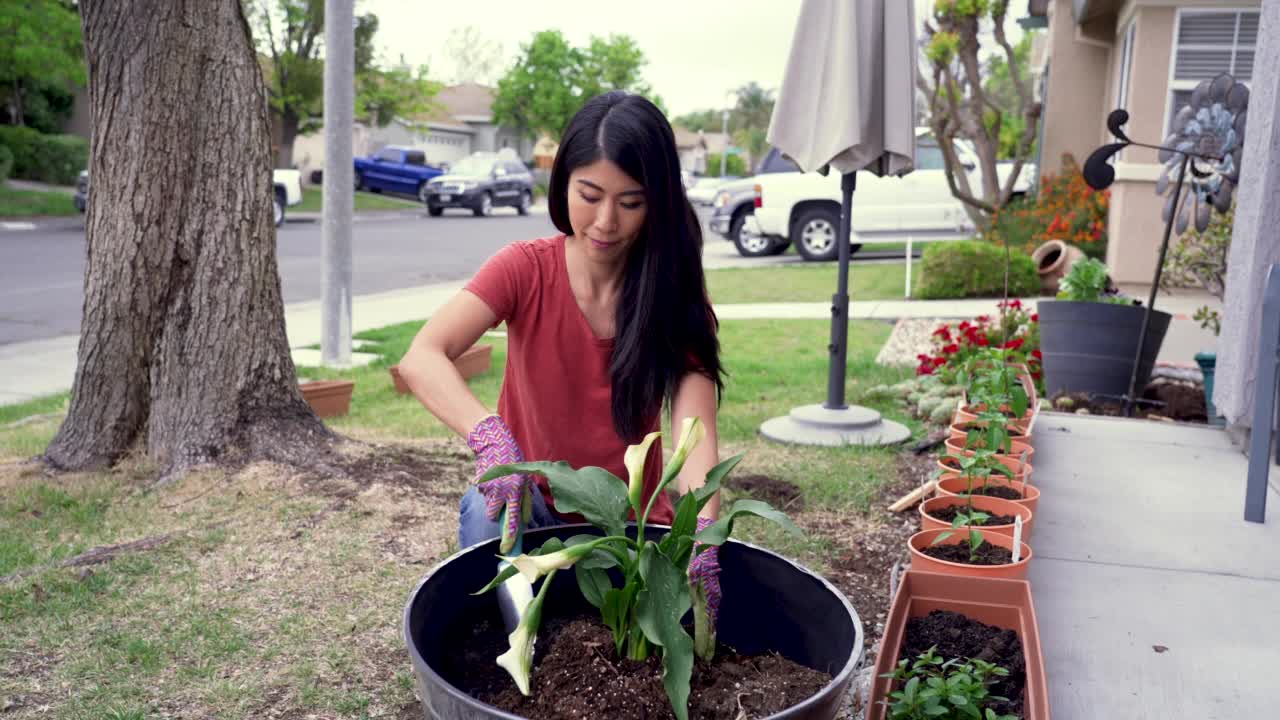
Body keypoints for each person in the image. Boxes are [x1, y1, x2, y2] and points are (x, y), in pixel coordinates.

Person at [397, 91, 726, 619]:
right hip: (533, 505)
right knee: (488, 531)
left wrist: (704, 534)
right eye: (589, 194)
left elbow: (696, 440)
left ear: (658, 201)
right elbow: (423, 357)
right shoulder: (523, 269)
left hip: (628, 524)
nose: (605, 221)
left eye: (631, 202)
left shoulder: (676, 297)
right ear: (562, 182)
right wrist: (489, 435)